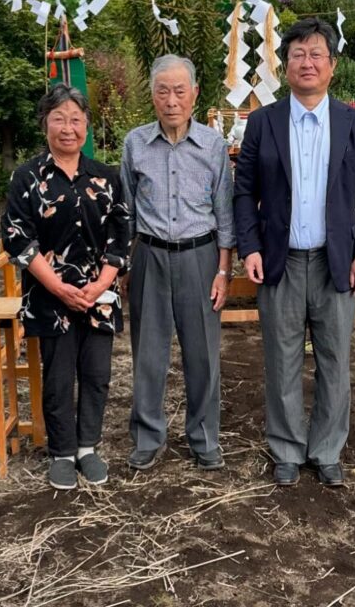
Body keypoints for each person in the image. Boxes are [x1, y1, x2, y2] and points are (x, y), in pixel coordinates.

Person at [234, 18, 355, 488]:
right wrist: (250, 246)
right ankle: (286, 447)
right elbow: (244, 191)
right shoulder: (263, 122)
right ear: (286, 65)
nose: (307, 62)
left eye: (317, 54)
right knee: (281, 358)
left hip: (333, 260)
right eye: (298, 54)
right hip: (280, 260)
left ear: (332, 67)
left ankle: (327, 448)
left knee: (336, 357)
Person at [1, 84, 130, 490]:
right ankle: (61, 452)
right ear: (45, 125)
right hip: (48, 296)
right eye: (59, 118)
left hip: (99, 297)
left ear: (87, 125)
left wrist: (99, 285)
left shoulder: (106, 177)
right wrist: (58, 287)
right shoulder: (27, 178)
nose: (68, 127)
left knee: (96, 374)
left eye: (76, 119)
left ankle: (87, 448)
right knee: (57, 377)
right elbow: (18, 239)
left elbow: (121, 235)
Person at [120, 55, 235, 472]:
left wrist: (224, 271)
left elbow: (225, 215)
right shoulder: (135, 143)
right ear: (152, 95)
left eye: (179, 91)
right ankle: (148, 436)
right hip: (149, 255)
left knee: (202, 353)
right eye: (163, 91)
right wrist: (125, 268)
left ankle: (204, 438)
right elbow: (126, 212)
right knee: (148, 354)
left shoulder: (213, 146)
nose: (171, 100)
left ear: (194, 94)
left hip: (200, 257)